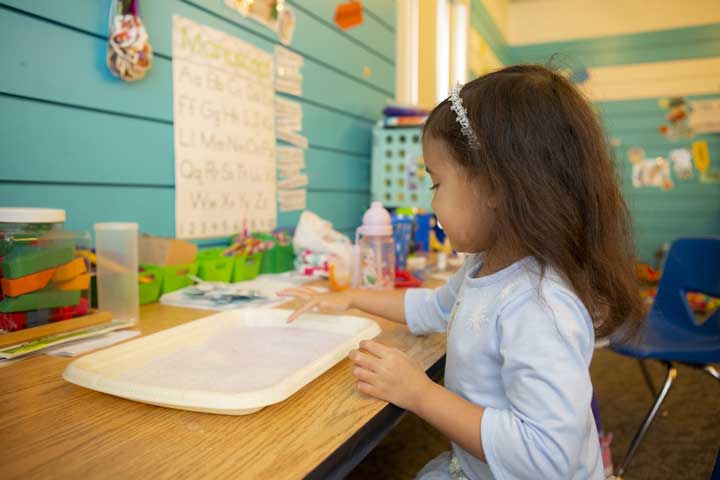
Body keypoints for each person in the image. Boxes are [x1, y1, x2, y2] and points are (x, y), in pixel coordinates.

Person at [280, 64, 643, 479]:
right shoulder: (485, 265)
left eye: (436, 184)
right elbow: (430, 307)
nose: (432, 204)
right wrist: (351, 297)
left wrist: (419, 393)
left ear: (494, 187)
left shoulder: (539, 306)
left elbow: (546, 458)